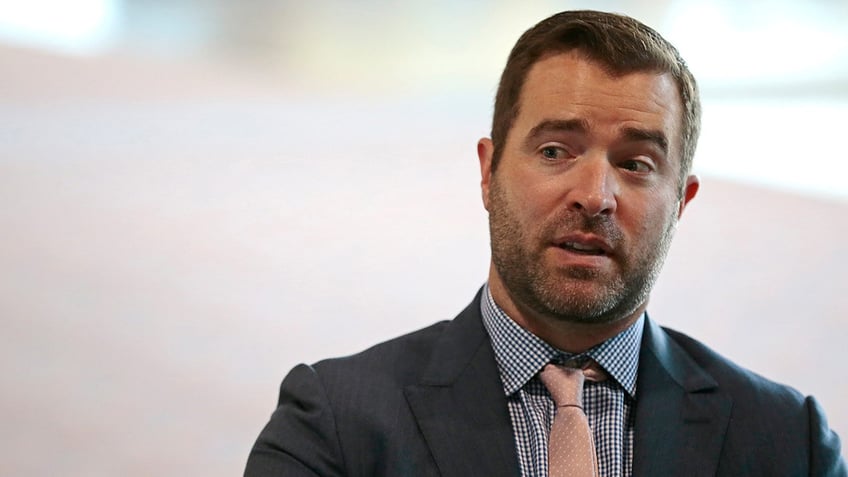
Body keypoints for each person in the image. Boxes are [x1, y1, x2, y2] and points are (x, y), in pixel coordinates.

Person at [245, 10, 846, 477]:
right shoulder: (336, 426)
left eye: (635, 163)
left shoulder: (789, 443)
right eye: (555, 151)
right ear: (488, 172)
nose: (595, 195)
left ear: (682, 202)